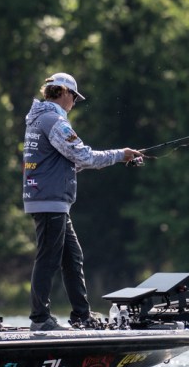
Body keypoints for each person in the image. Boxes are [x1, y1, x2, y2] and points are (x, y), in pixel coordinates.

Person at [22, 72, 143, 330]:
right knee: (48, 258)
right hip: (50, 200)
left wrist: (116, 158)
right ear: (63, 92)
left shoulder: (39, 119)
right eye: (74, 97)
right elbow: (84, 156)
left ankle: (81, 315)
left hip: (49, 199)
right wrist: (120, 155)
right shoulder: (54, 121)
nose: (74, 102)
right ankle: (40, 319)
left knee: (72, 257)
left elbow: (65, 162)